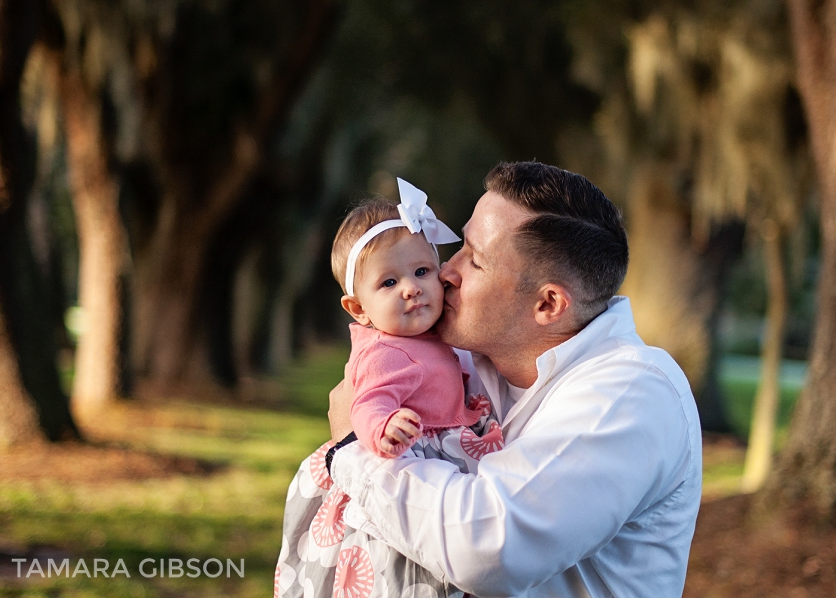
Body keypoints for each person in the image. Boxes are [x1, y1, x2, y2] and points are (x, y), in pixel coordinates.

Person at [326, 161, 703, 597]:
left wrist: (353, 449)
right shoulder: (466, 361)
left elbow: (488, 548)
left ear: (547, 304)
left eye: (475, 261)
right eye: (459, 246)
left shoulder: (634, 392)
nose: (447, 270)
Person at [275, 179, 503, 598]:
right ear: (358, 309)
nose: (411, 288)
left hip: (441, 447)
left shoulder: (428, 338)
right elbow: (364, 402)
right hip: (408, 458)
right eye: (388, 283)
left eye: (421, 272)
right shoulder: (386, 352)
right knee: (404, 569)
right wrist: (384, 427)